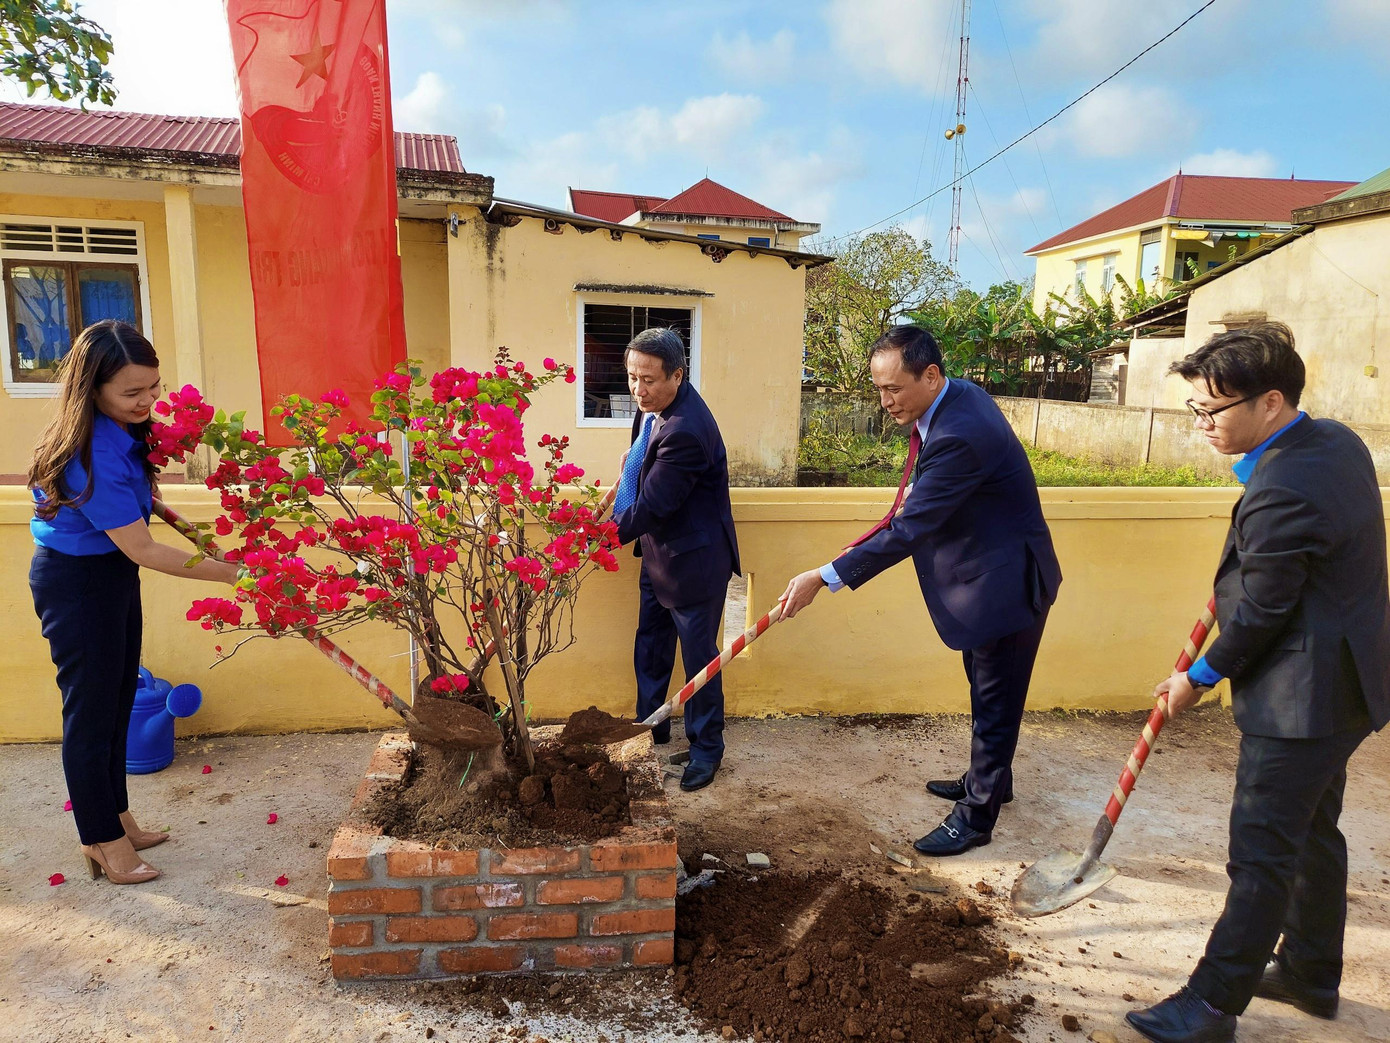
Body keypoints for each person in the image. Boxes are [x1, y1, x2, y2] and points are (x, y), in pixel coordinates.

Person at [1126, 322, 1389, 1043]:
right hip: (1350, 684)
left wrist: (1198, 676)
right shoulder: (1333, 441)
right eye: (1195, 411)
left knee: (1262, 850)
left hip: (1300, 699)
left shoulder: (1282, 488)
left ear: (1271, 401)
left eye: (1213, 411)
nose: (1202, 425)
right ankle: (1310, 972)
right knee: (1312, 831)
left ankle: (1211, 1006)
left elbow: (1266, 609)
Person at [779, 324, 1061, 855]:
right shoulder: (956, 399)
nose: (884, 401)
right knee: (985, 692)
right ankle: (992, 780)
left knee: (996, 701)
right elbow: (936, 495)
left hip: (1003, 586)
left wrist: (824, 577)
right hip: (987, 575)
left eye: (893, 389)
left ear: (931, 375)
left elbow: (910, 529)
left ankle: (977, 816)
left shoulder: (960, 433)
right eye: (878, 389)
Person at [28, 320, 241, 885]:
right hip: (76, 584)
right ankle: (100, 839)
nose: (147, 401)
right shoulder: (87, 451)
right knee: (91, 714)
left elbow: (137, 524)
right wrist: (230, 574)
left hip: (110, 572)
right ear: (91, 389)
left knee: (119, 698)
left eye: (154, 387)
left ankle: (117, 816)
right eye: (132, 392)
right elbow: (144, 547)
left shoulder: (122, 429)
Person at [610, 327, 740, 791]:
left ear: (678, 376)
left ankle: (707, 749)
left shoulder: (686, 429)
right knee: (650, 644)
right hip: (659, 554)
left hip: (695, 563)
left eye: (648, 380)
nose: (638, 390)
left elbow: (653, 505)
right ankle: (652, 727)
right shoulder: (654, 411)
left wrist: (596, 538)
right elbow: (638, 470)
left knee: (699, 660)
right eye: (631, 378)